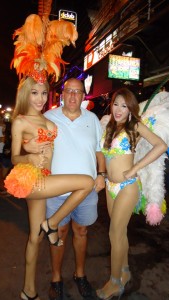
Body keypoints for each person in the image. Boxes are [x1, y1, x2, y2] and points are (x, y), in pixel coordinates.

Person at [4, 76, 94, 300]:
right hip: (32, 180)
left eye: (44, 93)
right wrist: (29, 153)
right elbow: (14, 157)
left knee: (34, 237)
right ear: (26, 94)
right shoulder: (21, 121)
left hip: (46, 178)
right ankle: (52, 224)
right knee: (86, 182)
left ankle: (28, 290)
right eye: (34, 93)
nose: (40, 98)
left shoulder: (51, 122)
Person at [23, 77, 106, 300]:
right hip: (57, 191)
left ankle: (80, 275)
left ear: (83, 96)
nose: (72, 95)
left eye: (77, 92)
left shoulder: (92, 119)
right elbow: (30, 144)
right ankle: (56, 278)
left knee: (82, 231)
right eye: (68, 91)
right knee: (58, 233)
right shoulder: (48, 117)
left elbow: (99, 151)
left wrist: (101, 174)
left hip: (86, 192)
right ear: (62, 94)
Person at [96, 88, 167, 299]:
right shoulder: (108, 126)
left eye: (124, 106)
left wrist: (134, 169)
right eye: (116, 104)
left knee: (114, 233)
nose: (118, 109)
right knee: (121, 233)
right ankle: (125, 272)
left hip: (127, 186)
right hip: (110, 187)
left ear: (130, 109)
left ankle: (115, 282)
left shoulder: (134, 125)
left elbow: (160, 145)